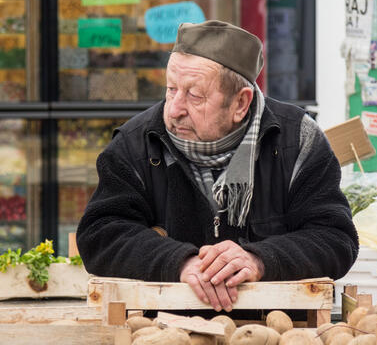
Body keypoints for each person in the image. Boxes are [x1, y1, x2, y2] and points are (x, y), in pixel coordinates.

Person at [77, 20, 359, 313]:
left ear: (240, 103)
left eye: (194, 96)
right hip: (161, 333)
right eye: (171, 89)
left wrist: (259, 259)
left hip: (277, 333)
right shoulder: (135, 144)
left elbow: (335, 238)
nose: (174, 109)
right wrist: (179, 262)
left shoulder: (299, 140)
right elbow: (100, 234)